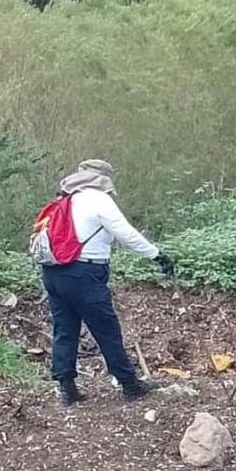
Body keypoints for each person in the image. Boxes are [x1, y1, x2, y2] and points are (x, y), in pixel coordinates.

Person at [42, 159, 174, 406]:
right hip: (84, 272)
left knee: (65, 328)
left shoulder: (65, 199)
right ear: (103, 180)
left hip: (53, 272)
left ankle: (66, 387)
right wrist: (156, 254)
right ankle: (129, 383)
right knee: (106, 327)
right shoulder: (98, 199)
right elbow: (124, 232)